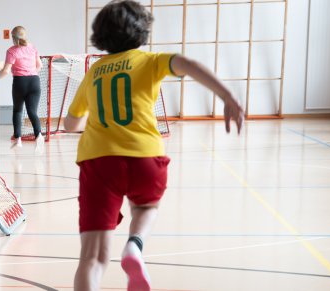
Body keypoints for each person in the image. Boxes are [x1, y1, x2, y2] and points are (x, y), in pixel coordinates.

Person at [62, 1, 244, 290]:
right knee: (146, 207)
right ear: (141, 31)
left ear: (100, 35)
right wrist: (228, 96)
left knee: (92, 258)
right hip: (145, 156)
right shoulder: (150, 61)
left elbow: (70, 125)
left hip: (99, 162)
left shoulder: (95, 71)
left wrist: (94, 120)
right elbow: (190, 65)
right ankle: (135, 245)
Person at [0, 26, 43, 146]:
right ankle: (38, 135)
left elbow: (6, 71)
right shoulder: (32, 47)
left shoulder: (12, 51)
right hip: (34, 81)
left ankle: (18, 139)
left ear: (13, 38)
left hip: (20, 82)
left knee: (18, 110)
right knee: (32, 111)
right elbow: (40, 65)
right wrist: (31, 74)